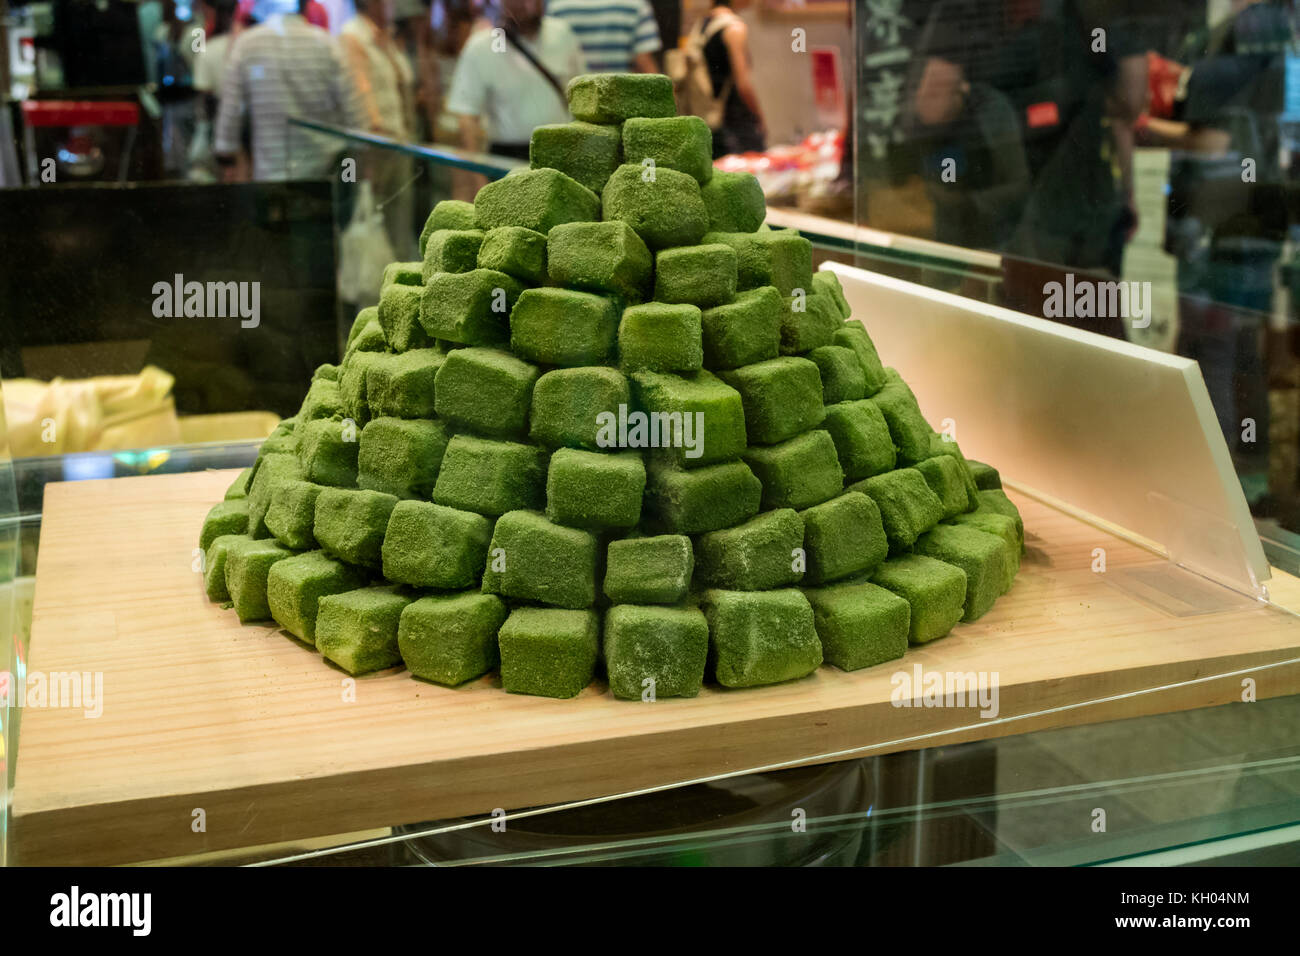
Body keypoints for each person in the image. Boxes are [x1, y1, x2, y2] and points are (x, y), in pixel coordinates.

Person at [214, 0, 366, 180]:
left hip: (271, 178)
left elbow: (226, 133)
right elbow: (358, 124)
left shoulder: (246, 45)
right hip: (328, 178)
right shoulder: (329, 45)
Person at [446, 0, 586, 193]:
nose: (527, 5)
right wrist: (479, 181)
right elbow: (467, 118)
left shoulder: (562, 34)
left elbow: (582, 95)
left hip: (562, 154)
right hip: (505, 160)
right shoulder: (481, 46)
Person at [693, 0, 764, 158]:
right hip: (735, 122)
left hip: (710, 119)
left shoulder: (704, 23)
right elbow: (743, 84)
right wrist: (759, 116)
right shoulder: (734, 28)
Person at [545, 0, 661, 74]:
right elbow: (643, 61)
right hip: (619, 98)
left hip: (575, 100)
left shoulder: (556, 5)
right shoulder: (635, 4)